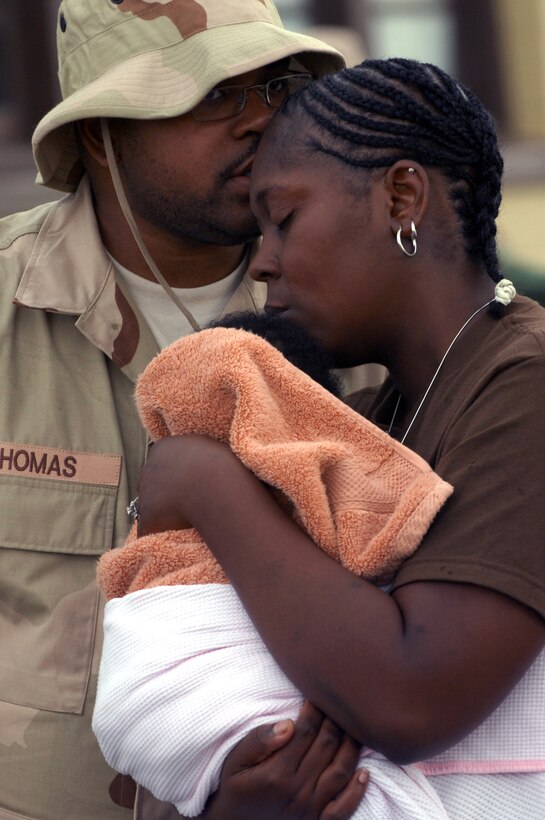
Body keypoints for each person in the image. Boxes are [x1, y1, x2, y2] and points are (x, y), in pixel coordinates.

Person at [135, 57, 545, 819]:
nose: (261, 263)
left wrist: (203, 482)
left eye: (282, 218)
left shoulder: (525, 382)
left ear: (401, 196)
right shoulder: (364, 413)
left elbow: (412, 699)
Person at [0, 1, 364, 818]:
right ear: (99, 134)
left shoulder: (360, 309)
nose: (258, 122)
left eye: (275, 88)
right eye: (210, 96)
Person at [91, 311, 452, 817]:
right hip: (159, 690)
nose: (270, 261)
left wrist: (201, 478)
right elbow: (368, 551)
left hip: (155, 714)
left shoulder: (359, 342)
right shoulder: (296, 479)